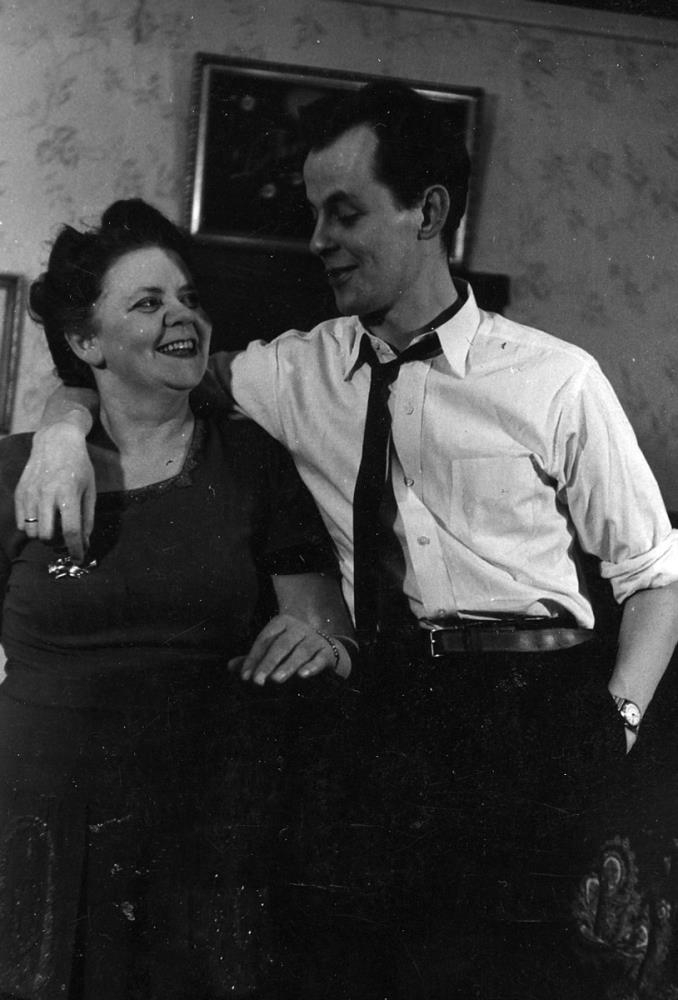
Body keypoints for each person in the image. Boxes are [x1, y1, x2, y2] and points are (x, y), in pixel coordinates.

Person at [14, 83, 678, 998]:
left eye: (345, 211)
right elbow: (131, 368)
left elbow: (657, 574)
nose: (318, 238)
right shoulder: (294, 369)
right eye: (313, 213)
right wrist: (58, 432)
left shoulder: (557, 381)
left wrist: (619, 720)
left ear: (428, 212)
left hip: (535, 710)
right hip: (376, 717)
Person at [0, 198, 356, 1000]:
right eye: (147, 302)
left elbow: (327, 630)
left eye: (189, 297)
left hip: (203, 827)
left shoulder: (253, 460)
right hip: (32, 819)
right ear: (85, 341)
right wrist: (60, 431)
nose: (181, 315)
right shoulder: (18, 471)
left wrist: (320, 646)